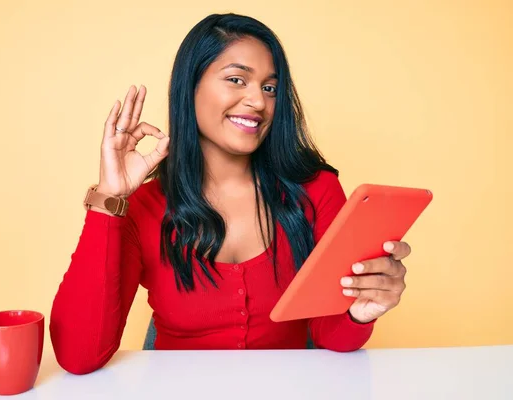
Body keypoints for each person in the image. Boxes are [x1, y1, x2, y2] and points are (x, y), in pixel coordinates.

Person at [49, 13, 411, 375]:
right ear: (190, 88)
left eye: (270, 87)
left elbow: (333, 337)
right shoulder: (143, 207)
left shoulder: (316, 190)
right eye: (237, 80)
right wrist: (107, 201)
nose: (258, 101)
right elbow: (79, 357)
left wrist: (359, 312)